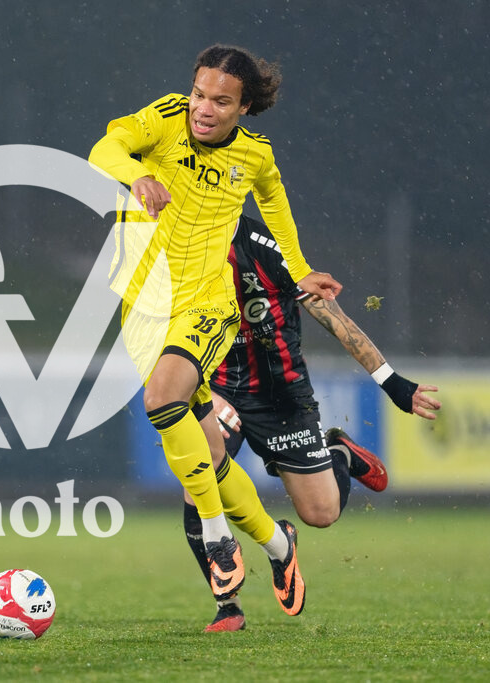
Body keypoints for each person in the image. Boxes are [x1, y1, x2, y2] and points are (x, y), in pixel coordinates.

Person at [89, 44, 341, 626]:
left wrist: (298, 269)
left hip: (206, 303)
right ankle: (279, 547)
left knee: (161, 399)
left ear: (244, 107)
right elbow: (105, 147)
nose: (203, 108)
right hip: (144, 305)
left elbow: (273, 199)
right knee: (205, 451)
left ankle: (216, 536)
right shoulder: (165, 119)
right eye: (200, 94)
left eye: (220, 101)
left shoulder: (253, 156)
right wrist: (140, 174)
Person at [182, 213, 441, 631]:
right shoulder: (180, 243)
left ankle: (339, 453)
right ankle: (228, 606)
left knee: (321, 513)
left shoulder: (269, 247)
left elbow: (335, 319)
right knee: (197, 479)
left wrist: (394, 385)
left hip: (282, 395)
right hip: (219, 388)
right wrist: (200, 389)